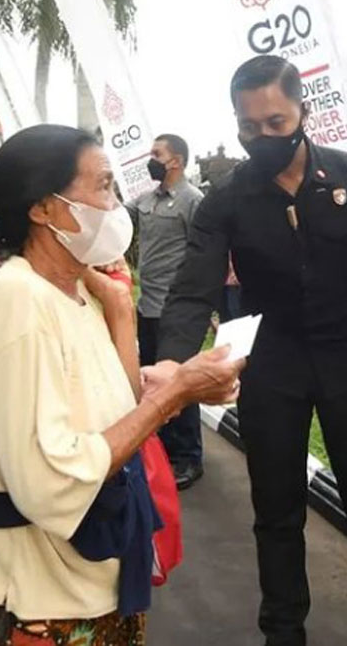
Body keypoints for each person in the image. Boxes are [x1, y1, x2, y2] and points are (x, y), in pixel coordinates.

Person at [157, 55, 347, 646]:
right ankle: (283, 635)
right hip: (273, 364)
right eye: (250, 127)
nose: (264, 137)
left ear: (303, 111)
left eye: (276, 122)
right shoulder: (226, 199)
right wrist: (170, 368)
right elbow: (193, 288)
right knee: (276, 516)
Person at [0, 124, 243, 645]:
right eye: (104, 185)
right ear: (43, 208)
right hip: (42, 598)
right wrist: (174, 395)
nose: (116, 203)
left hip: (89, 573)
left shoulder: (80, 291)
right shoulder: (16, 301)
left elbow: (118, 416)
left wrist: (129, 324)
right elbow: (51, 480)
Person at [127, 133, 206, 489]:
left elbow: (205, 254)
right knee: (155, 382)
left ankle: (188, 458)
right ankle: (162, 448)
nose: (151, 159)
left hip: (175, 311)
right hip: (147, 305)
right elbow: (116, 218)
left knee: (179, 384)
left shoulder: (193, 201)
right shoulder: (146, 200)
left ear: (176, 160)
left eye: (157, 154)